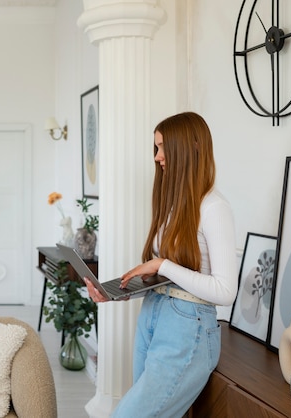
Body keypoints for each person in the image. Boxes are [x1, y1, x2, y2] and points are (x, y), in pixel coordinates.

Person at [84, 111, 237, 417]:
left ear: (190, 146)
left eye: (163, 147)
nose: (157, 157)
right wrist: (120, 292)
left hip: (188, 325)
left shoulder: (214, 207)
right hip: (154, 314)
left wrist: (162, 265)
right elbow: (166, 277)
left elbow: (225, 290)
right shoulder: (174, 206)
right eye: (156, 148)